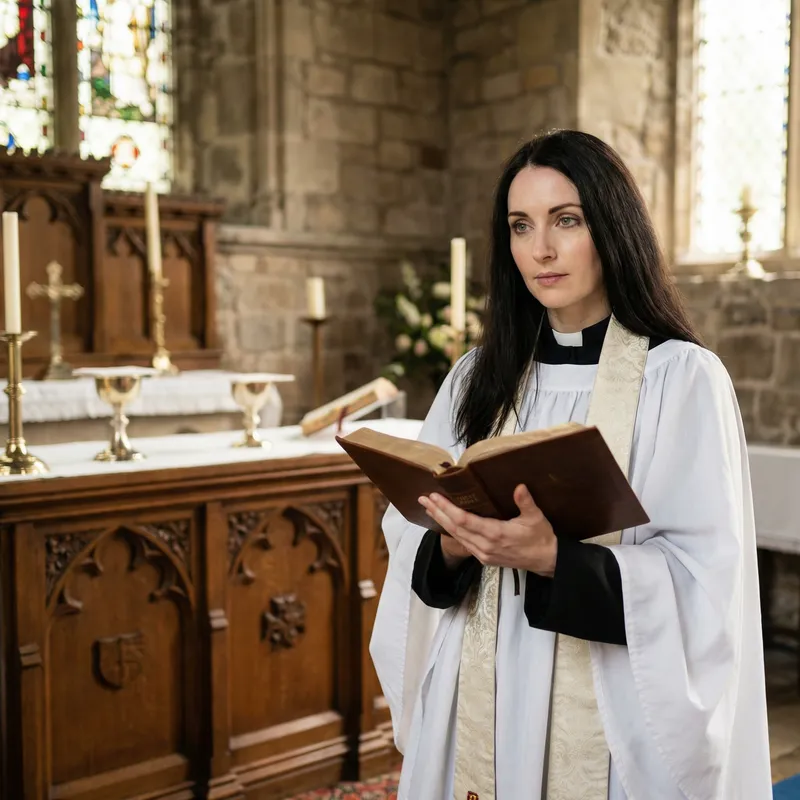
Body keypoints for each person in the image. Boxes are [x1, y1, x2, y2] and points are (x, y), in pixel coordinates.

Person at [369, 130, 772, 800]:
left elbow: (708, 582)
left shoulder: (681, 378)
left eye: (566, 220)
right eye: (521, 226)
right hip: (480, 679)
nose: (541, 250)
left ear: (611, 227)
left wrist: (556, 559)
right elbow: (410, 537)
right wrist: (451, 543)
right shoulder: (477, 376)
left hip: (609, 708)